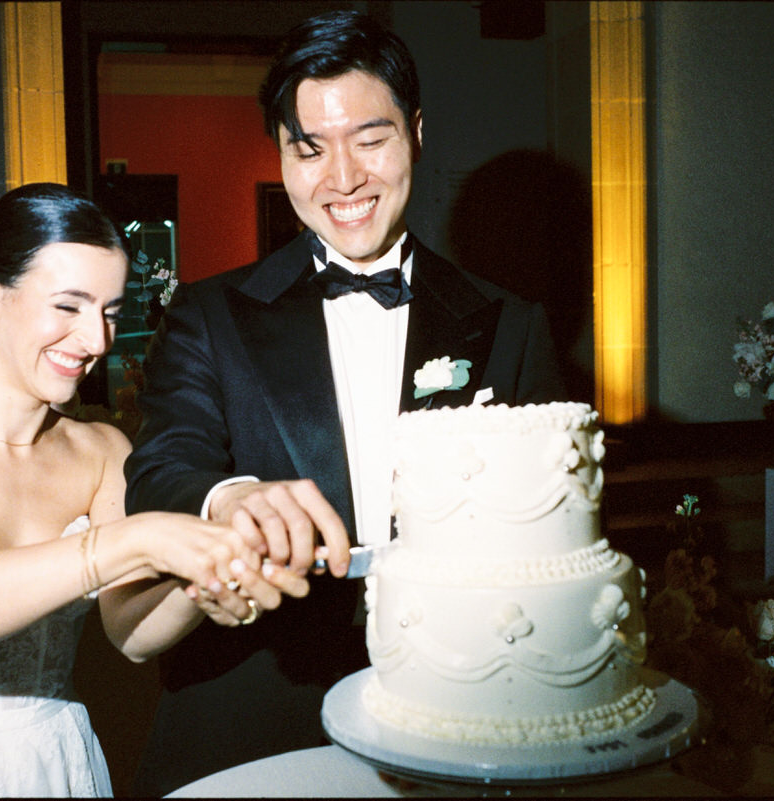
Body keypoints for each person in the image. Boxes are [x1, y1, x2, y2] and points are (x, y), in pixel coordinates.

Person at [125, 10, 567, 795]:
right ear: (283, 155)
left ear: (416, 134)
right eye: (310, 147)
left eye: (370, 139)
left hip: (458, 713)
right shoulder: (207, 315)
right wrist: (232, 500)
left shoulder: (510, 323)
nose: (343, 178)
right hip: (255, 713)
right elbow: (163, 466)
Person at [0, 183, 297, 798]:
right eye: (69, 307)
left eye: (109, 312)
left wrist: (205, 573)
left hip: (53, 764)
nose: (97, 342)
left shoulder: (103, 452)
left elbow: (130, 634)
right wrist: (137, 538)